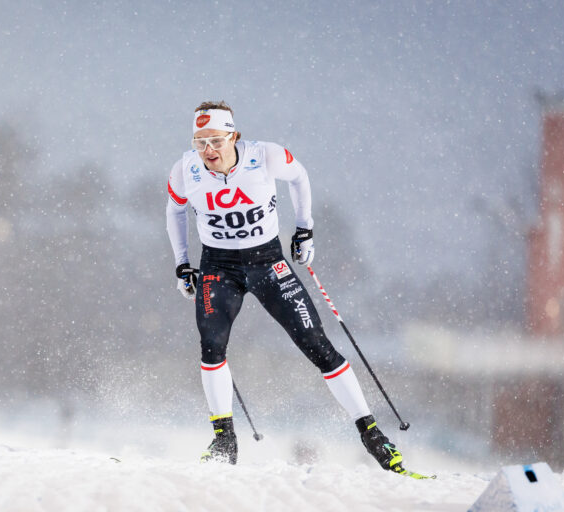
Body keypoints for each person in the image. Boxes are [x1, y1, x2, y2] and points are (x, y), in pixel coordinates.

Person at [165, 100, 404, 471]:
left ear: (233, 135)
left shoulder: (266, 156)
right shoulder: (186, 169)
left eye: (215, 140)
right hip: (218, 266)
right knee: (212, 345)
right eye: (200, 142)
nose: (208, 150)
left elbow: (300, 177)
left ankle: (372, 434)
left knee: (316, 343)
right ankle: (224, 440)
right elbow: (174, 209)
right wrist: (182, 263)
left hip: (267, 262)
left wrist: (304, 228)